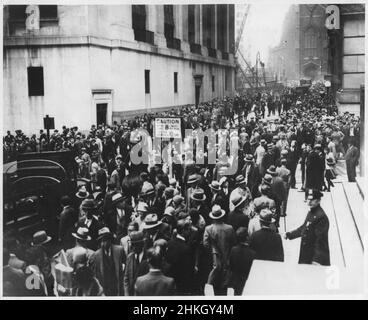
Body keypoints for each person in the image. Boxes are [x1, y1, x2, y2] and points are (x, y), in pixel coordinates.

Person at [285, 189, 330, 266]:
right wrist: (290, 234)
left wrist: (316, 260)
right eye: (308, 199)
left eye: (312, 200)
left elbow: (321, 240)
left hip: (314, 259)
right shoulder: (312, 212)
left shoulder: (321, 217)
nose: (309, 202)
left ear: (318, 201)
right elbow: (304, 228)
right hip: (306, 255)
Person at [203, 205, 236, 295]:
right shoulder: (229, 228)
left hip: (214, 258)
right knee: (225, 283)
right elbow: (234, 242)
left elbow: (205, 244)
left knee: (215, 282)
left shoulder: (208, 229)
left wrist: (212, 252)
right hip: (227, 258)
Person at [89, 227, 126, 296]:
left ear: (110, 239)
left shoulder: (119, 250)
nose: (103, 243)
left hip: (117, 288)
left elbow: (125, 268)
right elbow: (95, 275)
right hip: (104, 290)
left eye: (105, 240)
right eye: (101, 240)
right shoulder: (96, 255)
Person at [166, 219, 196, 295]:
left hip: (171, 282)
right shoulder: (186, 248)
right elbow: (187, 270)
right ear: (183, 231)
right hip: (182, 285)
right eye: (189, 229)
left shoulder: (170, 243)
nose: (190, 231)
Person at [228, 227, 255, 295]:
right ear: (247, 237)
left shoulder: (233, 250)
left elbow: (231, 265)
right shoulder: (252, 253)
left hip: (236, 280)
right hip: (247, 280)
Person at [123, 231, 149, 296]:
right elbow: (126, 278)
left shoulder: (148, 257)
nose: (133, 247)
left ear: (142, 244)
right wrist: (127, 295)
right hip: (131, 293)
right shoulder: (130, 257)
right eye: (132, 244)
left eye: (136, 244)